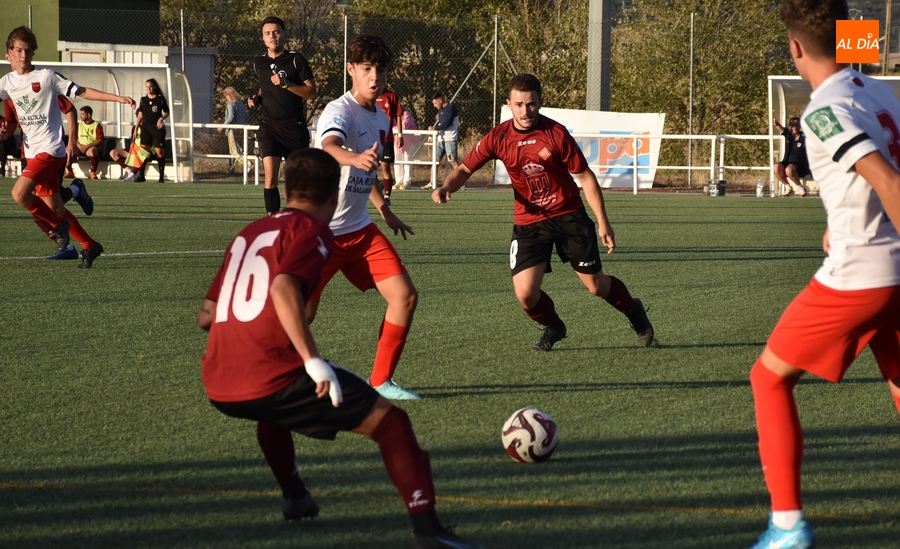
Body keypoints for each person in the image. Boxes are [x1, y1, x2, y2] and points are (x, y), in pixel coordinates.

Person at [197, 147, 484, 549]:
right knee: (391, 424)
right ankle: (429, 531)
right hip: (270, 372)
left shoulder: (249, 232)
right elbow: (283, 289)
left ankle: (295, 495)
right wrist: (312, 361)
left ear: (286, 187)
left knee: (274, 410)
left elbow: (206, 316)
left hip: (218, 380)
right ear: (334, 195)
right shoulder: (313, 231)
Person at [747, 2, 900, 548]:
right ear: (845, 36)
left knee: (768, 378)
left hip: (865, 273)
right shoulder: (884, 92)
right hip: (888, 270)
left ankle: (787, 528)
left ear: (794, 48)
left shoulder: (822, 110)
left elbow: (887, 180)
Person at [432, 74, 655, 351]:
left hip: (569, 217)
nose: (526, 111)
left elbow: (585, 177)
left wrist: (602, 223)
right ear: (509, 105)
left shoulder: (556, 133)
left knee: (596, 286)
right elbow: (465, 169)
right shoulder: (498, 136)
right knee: (526, 294)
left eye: (532, 104)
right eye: (519, 104)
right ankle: (554, 326)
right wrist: (445, 187)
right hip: (529, 224)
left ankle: (634, 311)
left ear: (540, 102)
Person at [313, 35, 421, 400]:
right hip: (321, 234)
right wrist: (352, 157)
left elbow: (367, 171)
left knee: (404, 296)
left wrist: (385, 209)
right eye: (366, 69)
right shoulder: (338, 110)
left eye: (380, 69)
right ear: (351, 70)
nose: (375, 77)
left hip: (359, 230)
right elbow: (329, 146)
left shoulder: (379, 114)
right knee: (303, 314)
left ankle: (381, 382)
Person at [0, 26, 132, 268]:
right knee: (55, 207)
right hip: (31, 153)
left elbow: (81, 93)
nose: (23, 56)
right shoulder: (7, 83)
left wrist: (117, 98)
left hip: (51, 151)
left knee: (19, 194)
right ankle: (89, 245)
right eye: (18, 50)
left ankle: (60, 229)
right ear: (9, 52)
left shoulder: (47, 77)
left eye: (28, 51)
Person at [248, 15, 317, 215]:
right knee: (270, 177)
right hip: (269, 127)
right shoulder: (258, 63)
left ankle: (299, 218)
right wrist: (256, 98)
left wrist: (287, 84)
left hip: (294, 128)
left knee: (298, 181)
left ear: (284, 35)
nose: (272, 36)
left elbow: (312, 93)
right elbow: (264, 88)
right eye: (268, 33)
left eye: (276, 32)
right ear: (263, 38)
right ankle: (273, 221)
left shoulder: (296, 60)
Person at [131, 78, 169, 183]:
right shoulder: (143, 100)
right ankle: (141, 176)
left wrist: (161, 119)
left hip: (157, 129)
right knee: (143, 152)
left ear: (155, 87)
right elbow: (140, 115)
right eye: (147, 87)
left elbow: (166, 112)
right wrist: (136, 127)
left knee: (159, 153)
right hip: (146, 128)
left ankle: (161, 177)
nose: (148, 88)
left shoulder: (160, 99)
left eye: (150, 86)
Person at [424, 92, 459, 188]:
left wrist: (435, 129)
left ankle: (461, 183)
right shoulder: (440, 111)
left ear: (440, 100)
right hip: (440, 140)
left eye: (435, 103)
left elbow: (447, 123)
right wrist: (433, 135)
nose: (434, 106)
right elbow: (440, 124)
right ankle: (431, 182)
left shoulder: (451, 108)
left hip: (450, 139)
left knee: (453, 162)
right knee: (435, 161)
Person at [376, 86, 404, 204]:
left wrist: (400, 135)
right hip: (371, 137)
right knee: (370, 166)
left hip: (386, 138)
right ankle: (378, 185)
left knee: (385, 166)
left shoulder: (391, 96)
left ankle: (387, 196)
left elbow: (398, 116)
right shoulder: (367, 94)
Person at [773, 116, 811, 197]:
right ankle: (788, 188)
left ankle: (800, 188)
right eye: (793, 125)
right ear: (790, 126)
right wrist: (776, 123)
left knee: (789, 170)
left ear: (800, 126)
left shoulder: (804, 137)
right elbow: (780, 127)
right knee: (776, 167)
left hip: (799, 165)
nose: (795, 127)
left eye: (797, 125)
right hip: (787, 162)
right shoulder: (788, 134)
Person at [64, 105, 104, 180]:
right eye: (80, 114)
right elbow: (74, 137)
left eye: (82, 114)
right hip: (79, 147)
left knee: (93, 151)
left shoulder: (97, 125)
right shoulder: (79, 125)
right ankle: (70, 171)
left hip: (90, 147)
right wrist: (79, 145)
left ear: (88, 115)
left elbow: (100, 139)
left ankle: (93, 172)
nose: (80, 116)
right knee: (67, 151)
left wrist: (87, 146)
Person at [218, 87, 247, 174]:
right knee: (238, 149)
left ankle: (248, 164)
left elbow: (230, 117)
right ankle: (232, 168)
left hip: (232, 130)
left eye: (226, 96)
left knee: (234, 150)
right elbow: (245, 116)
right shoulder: (241, 104)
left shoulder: (230, 105)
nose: (225, 98)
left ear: (229, 95)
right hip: (241, 129)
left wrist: (222, 126)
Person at [393, 107, 417, 190]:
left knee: (407, 159)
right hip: (397, 141)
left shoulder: (407, 115)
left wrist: (393, 129)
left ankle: (407, 182)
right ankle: (398, 181)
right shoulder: (393, 116)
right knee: (397, 160)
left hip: (408, 141)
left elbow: (403, 127)